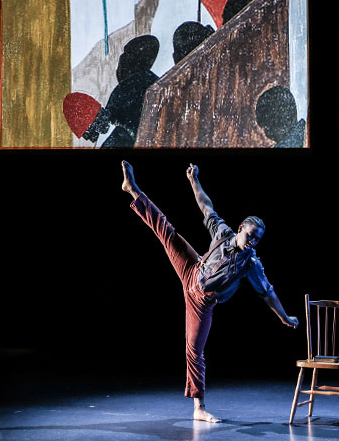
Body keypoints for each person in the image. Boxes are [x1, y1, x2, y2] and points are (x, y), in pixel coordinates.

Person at [120, 160, 298, 422]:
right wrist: (193, 180)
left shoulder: (251, 265)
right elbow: (206, 206)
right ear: (240, 230)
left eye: (258, 238)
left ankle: (198, 408)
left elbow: (268, 293)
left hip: (201, 301)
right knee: (166, 231)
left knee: (194, 350)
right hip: (192, 268)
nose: (253, 241)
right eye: (250, 235)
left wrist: (284, 316)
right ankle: (133, 189)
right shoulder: (224, 232)